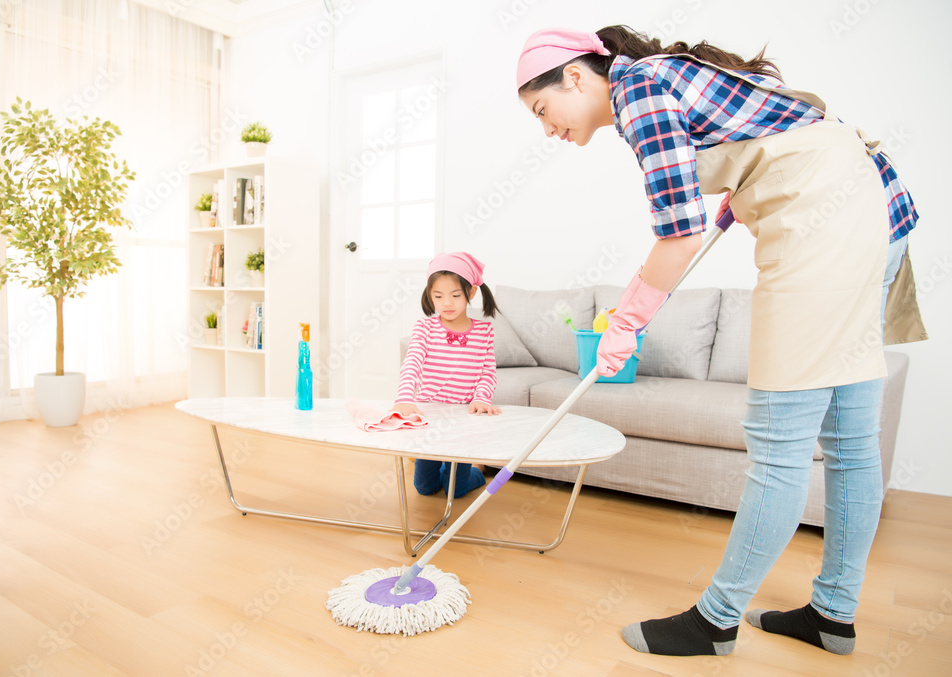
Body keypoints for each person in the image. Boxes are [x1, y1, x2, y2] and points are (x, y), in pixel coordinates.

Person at [516, 25, 926, 657]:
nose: (548, 128)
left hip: (828, 227)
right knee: (848, 443)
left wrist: (625, 320)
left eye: (544, 111)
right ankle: (832, 614)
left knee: (779, 438)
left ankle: (716, 622)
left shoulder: (638, 90)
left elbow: (677, 234)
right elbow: (781, 123)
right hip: (874, 211)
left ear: (575, 75)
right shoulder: (664, 76)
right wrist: (744, 188)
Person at [393, 251, 502, 498]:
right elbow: (412, 362)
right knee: (425, 488)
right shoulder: (424, 327)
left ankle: (476, 469)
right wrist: (404, 398)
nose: (446, 303)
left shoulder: (484, 331)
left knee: (455, 490)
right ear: (429, 295)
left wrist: (482, 398)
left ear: (471, 293)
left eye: (455, 295)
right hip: (429, 417)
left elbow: (488, 372)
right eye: (438, 296)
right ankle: (443, 466)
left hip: (462, 420)